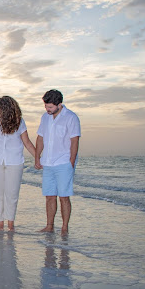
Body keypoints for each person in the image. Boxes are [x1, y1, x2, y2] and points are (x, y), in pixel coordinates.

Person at [0, 96, 36, 231]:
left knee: (12, 194)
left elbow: (27, 143)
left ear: (7, 109)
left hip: (15, 162)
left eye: (0, 109)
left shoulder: (20, 123)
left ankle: (10, 224)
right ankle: (0, 223)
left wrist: (38, 158)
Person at [34, 89, 81, 233]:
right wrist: (37, 157)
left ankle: (65, 227)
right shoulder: (45, 117)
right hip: (48, 162)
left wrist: (71, 162)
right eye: (46, 106)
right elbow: (40, 138)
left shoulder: (71, 117)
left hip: (64, 162)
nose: (47, 109)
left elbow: (74, 141)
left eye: (50, 107)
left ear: (59, 104)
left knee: (64, 197)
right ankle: (49, 226)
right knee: (49, 196)